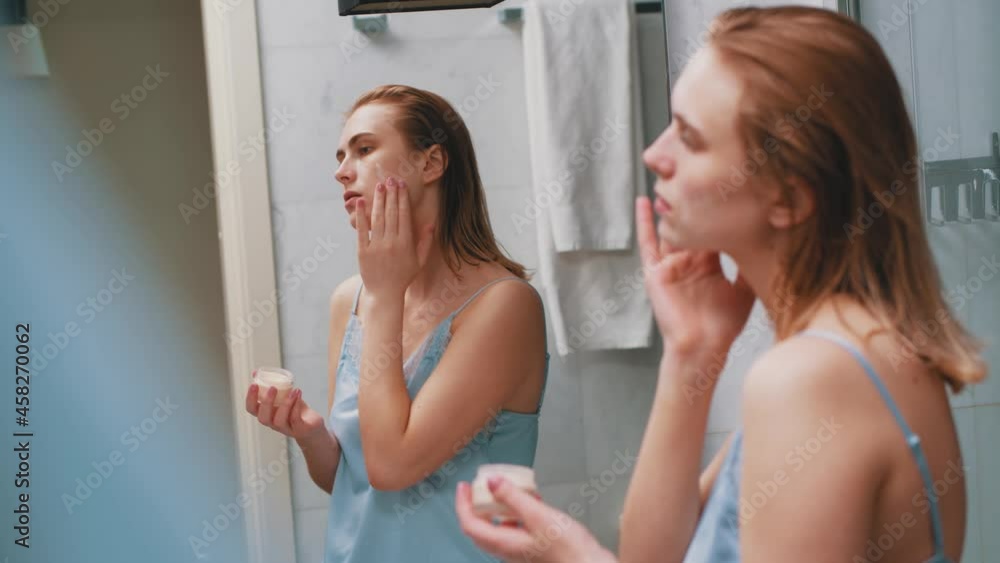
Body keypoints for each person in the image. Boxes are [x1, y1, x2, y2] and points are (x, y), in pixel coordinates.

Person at [456, 7, 985, 563]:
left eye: (690, 137)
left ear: (789, 198)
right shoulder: (854, 353)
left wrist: (572, 556)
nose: (654, 155)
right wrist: (690, 352)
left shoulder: (811, 378)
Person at [245, 84, 549, 562]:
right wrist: (310, 435)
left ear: (431, 164)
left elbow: (393, 466)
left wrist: (386, 294)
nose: (342, 172)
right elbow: (355, 478)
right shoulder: (351, 299)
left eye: (364, 150)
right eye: (342, 155)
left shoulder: (505, 306)